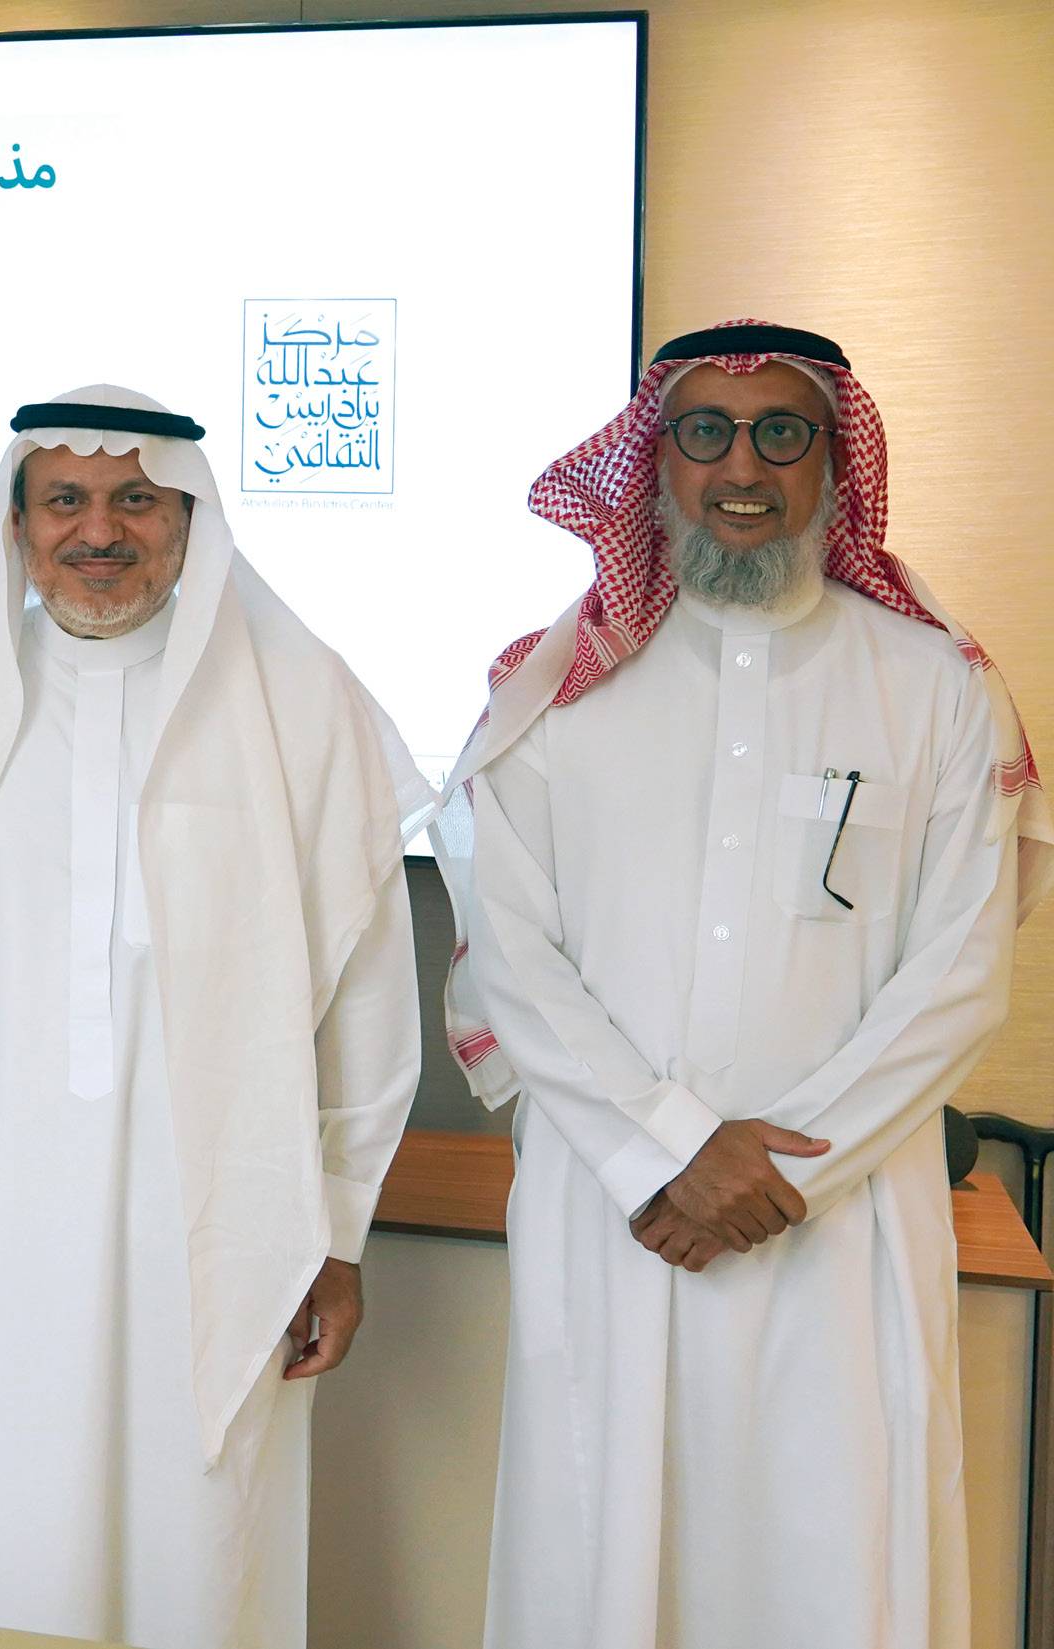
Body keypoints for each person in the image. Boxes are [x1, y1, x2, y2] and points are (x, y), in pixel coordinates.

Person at [440, 320, 1054, 1649]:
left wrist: (779, 1170)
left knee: (836, 1558)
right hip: (618, 1208)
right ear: (653, 460)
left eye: (782, 432)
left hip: (840, 1221)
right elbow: (513, 951)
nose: (742, 467)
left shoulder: (933, 688)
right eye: (704, 432)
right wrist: (668, 1148)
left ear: (834, 461)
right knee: (604, 1553)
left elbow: (960, 972)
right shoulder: (552, 694)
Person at [0, 387, 431, 1647]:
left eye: (135, 499)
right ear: (16, 524)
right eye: (65, 501)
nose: (99, 531)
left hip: (213, 1226)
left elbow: (363, 993)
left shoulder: (294, 700)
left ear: (188, 516)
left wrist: (335, 1226)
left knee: (195, 1548)